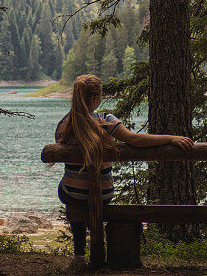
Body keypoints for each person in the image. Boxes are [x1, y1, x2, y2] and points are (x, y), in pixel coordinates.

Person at [55, 73, 194, 271]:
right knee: (88, 193)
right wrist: (171, 138)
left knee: (67, 190)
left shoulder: (64, 124)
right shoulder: (105, 120)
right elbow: (135, 140)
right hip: (103, 194)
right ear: (95, 99)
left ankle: (79, 256)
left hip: (74, 194)